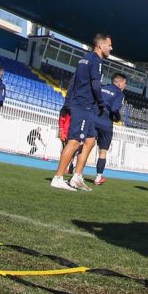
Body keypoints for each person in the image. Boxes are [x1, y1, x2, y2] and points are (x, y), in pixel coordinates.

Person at [50, 33, 113, 191]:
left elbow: (73, 81)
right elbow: (96, 85)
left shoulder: (84, 58)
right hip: (83, 105)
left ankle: (77, 176)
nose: (111, 48)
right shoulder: (96, 61)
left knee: (91, 140)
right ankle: (58, 177)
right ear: (100, 45)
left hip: (81, 104)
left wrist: (67, 103)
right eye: (109, 45)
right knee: (75, 141)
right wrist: (101, 103)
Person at [91, 72, 127, 185]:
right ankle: (98, 177)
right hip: (106, 125)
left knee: (87, 145)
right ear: (119, 83)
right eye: (125, 83)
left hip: (93, 119)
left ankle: (77, 174)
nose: (125, 86)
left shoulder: (102, 88)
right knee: (103, 152)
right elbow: (115, 109)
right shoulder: (119, 94)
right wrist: (118, 118)